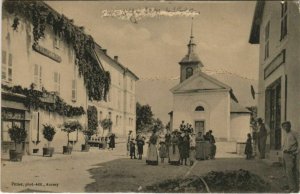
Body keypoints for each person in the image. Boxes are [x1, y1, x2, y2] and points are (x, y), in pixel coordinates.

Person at [282, 121, 299, 192]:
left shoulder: (294, 133)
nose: (286, 127)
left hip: (291, 154)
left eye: (287, 126)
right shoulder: (286, 134)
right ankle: (290, 186)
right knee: (287, 172)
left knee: (291, 171)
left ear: (290, 126)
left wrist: (296, 152)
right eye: (284, 126)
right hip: (285, 154)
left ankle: (294, 189)